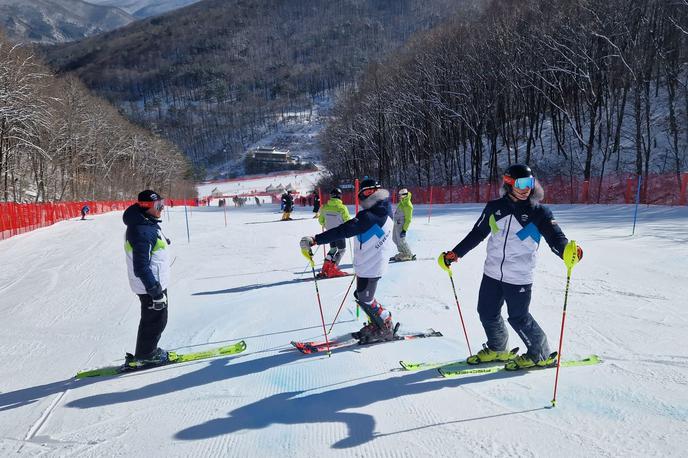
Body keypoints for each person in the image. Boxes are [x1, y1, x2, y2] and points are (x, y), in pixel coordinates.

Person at [439, 164, 583, 370]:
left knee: (518, 317)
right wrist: (455, 253)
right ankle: (498, 348)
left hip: (519, 275)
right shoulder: (495, 207)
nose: (527, 188)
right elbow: (477, 233)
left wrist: (567, 252)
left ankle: (540, 354)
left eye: (530, 183)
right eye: (521, 183)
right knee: (486, 312)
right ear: (508, 183)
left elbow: (556, 238)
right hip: (492, 272)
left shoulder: (539, 212)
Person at [300, 178, 396, 343]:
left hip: (372, 264)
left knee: (365, 298)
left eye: (369, 192)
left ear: (377, 191)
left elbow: (343, 230)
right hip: (369, 261)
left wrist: (316, 239)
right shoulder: (383, 208)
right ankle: (378, 322)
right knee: (361, 295)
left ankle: (385, 327)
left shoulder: (371, 215)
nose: (366, 196)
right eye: (363, 194)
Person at [123, 190, 172, 365]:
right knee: (155, 320)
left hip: (153, 283)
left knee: (156, 319)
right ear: (146, 207)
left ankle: (146, 351)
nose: (162, 208)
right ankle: (146, 355)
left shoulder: (146, 222)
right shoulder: (141, 230)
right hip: (149, 285)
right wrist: (155, 291)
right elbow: (141, 266)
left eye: (162, 203)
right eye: (158, 205)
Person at [316, 187, 351, 278]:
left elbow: (320, 220)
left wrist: (327, 225)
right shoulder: (342, 207)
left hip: (330, 233)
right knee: (342, 250)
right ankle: (333, 269)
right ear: (339, 196)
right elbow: (347, 220)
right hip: (340, 232)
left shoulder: (324, 207)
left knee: (333, 249)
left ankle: (325, 268)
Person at [391, 188, 415, 261]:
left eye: (400, 195)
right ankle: (402, 252)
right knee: (395, 239)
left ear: (405, 195)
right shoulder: (402, 202)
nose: (399, 196)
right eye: (399, 195)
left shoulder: (408, 205)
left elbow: (408, 219)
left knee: (401, 240)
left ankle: (408, 254)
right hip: (397, 224)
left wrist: (404, 230)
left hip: (401, 225)